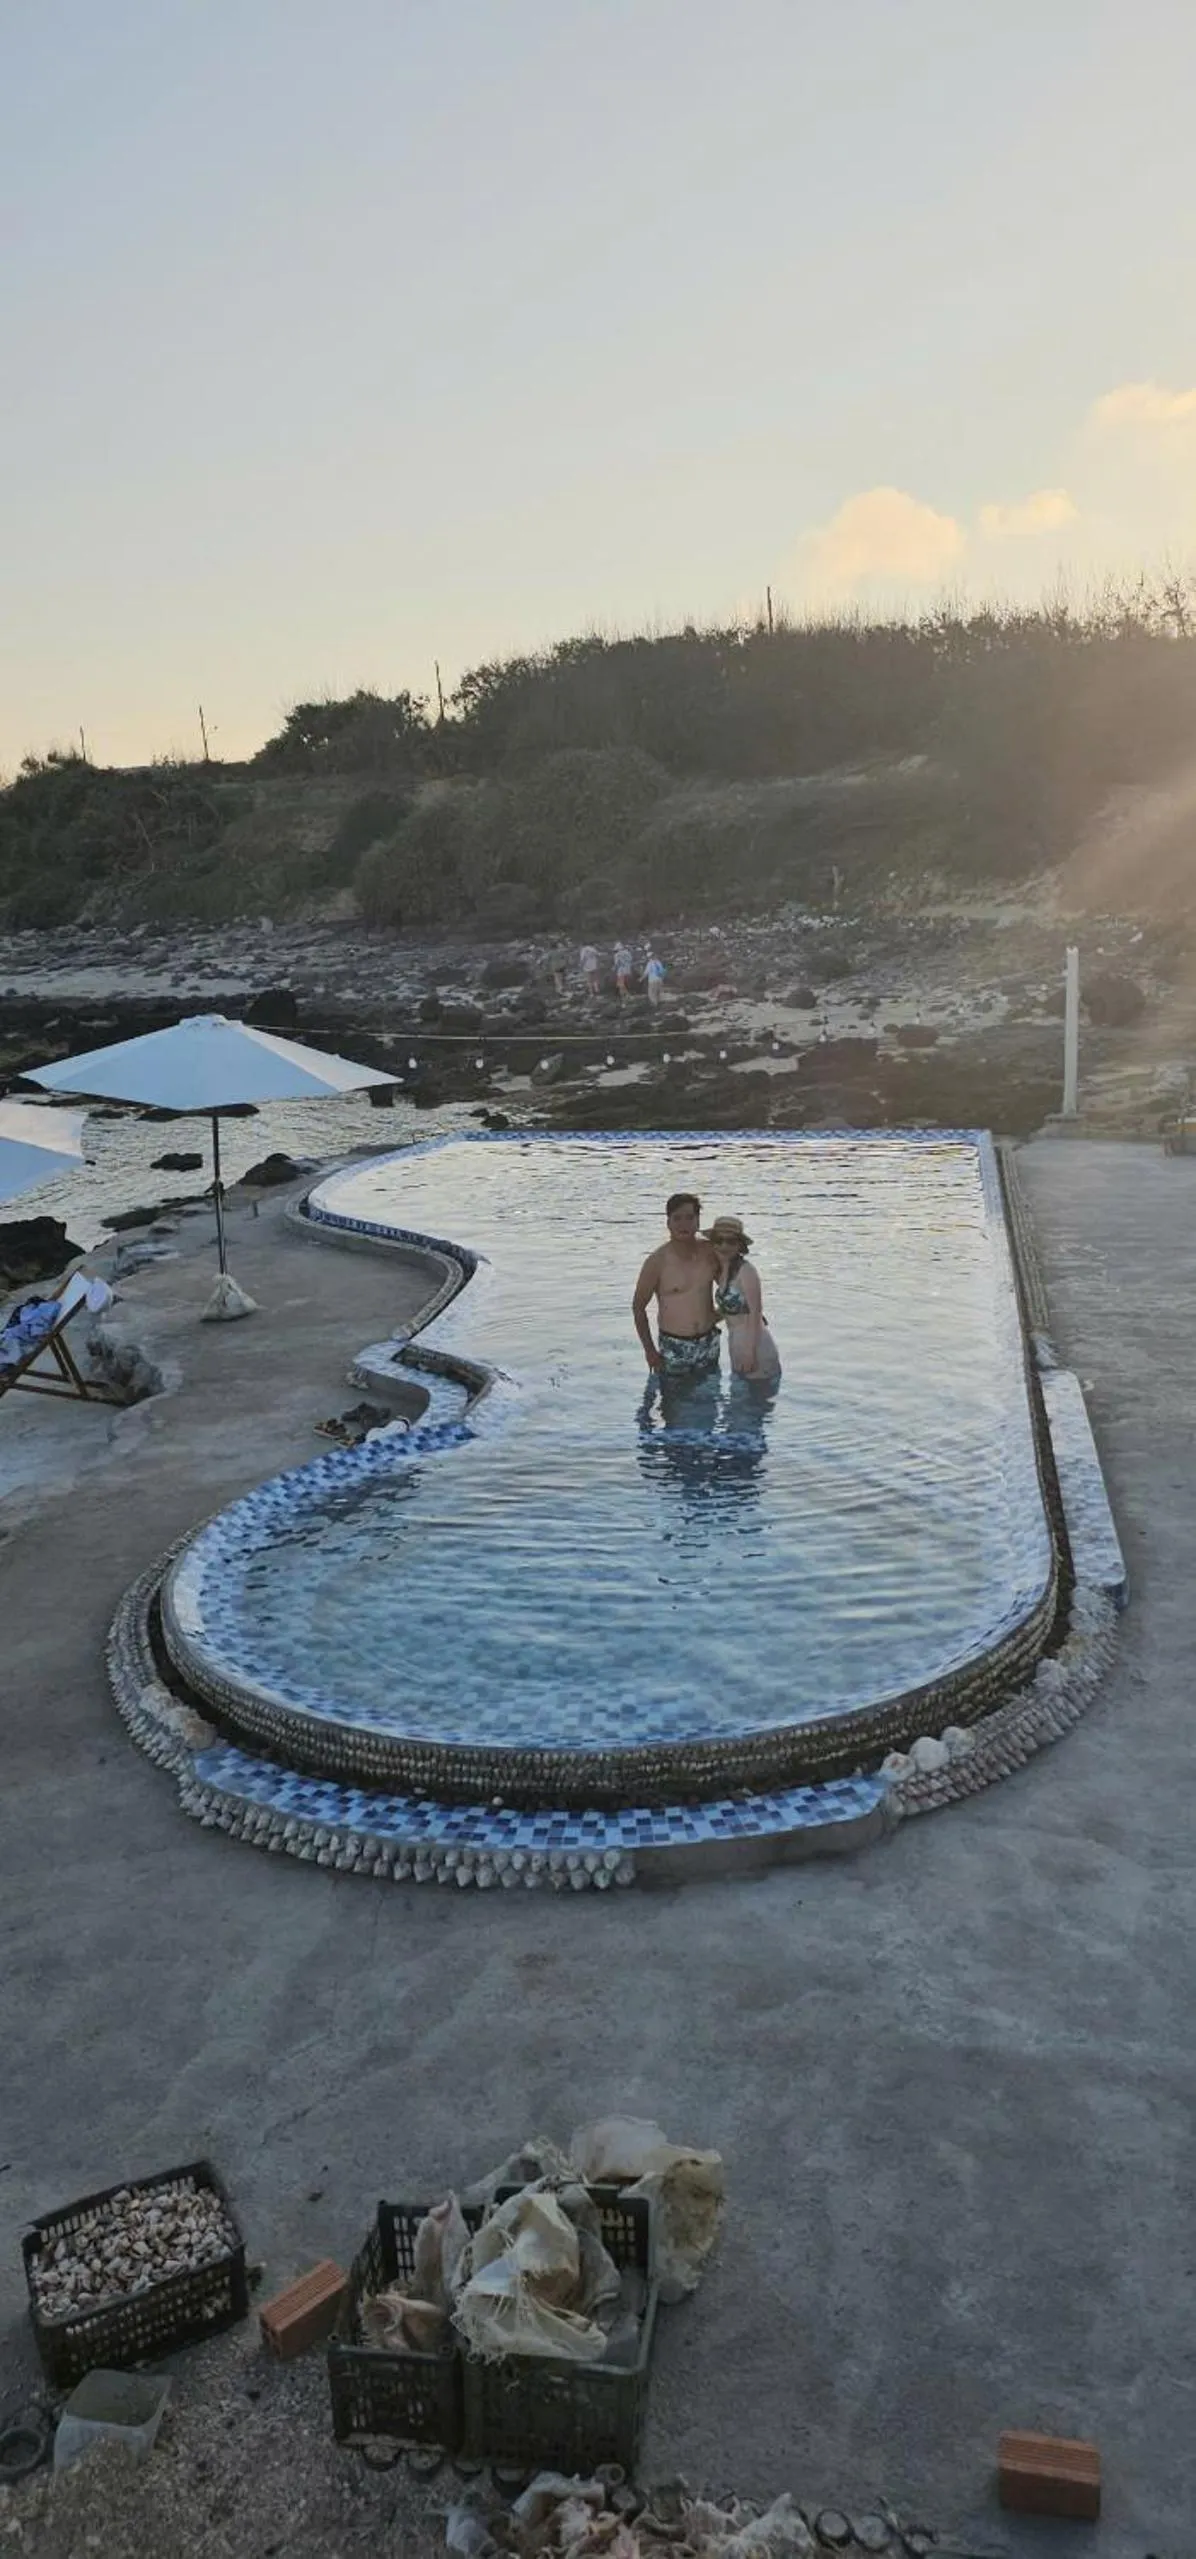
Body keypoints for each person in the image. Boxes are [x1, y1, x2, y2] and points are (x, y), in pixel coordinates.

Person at [632, 1192, 722, 1380]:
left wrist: (749, 1315)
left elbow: (731, 1288)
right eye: (677, 1218)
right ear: (668, 1223)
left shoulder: (710, 1253)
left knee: (710, 1402)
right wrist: (649, 1351)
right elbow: (638, 1307)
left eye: (690, 1218)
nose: (684, 1224)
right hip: (674, 1345)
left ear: (698, 1221)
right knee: (673, 1405)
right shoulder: (657, 1262)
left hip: (709, 1341)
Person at [706, 1215, 782, 1381]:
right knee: (739, 1402)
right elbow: (731, 1309)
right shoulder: (722, 1272)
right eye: (719, 1240)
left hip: (755, 1345)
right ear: (712, 1242)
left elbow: (756, 1312)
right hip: (736, 1342)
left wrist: (749, 1352)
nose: (724, 1246)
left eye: (731, 1241)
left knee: (755, 1403)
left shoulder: (746, 1271)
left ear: (740, 1245)